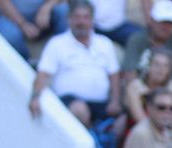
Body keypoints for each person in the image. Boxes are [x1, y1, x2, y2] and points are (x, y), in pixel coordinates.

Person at [28, 1, 121, 130]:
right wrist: (35, 97)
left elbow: (114, 75)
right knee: (80, 109)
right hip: (71, 103)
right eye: (77, 17)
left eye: (86, 17)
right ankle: (92, 135)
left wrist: (115, 101)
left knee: (122, 119)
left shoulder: (105, 44)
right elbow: (43, 74)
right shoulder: (57, 44)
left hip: (100, 104)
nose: (81, 22)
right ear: (69, 19)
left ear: (92, 20)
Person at [122, 3, 172, 120]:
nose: (165, 26)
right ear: (152, 20)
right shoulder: (137, 39)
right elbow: (130, 74)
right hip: (142, 96)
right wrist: (141, 97)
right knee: (133, 88)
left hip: (168, 99)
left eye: (170, 23)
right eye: (162, 22)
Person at [124, 46, 172, 132]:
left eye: (166, 66)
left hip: (166, 133)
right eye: (156, 64)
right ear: (148, 66)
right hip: (140, 132)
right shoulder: (135, 87)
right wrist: (160, 137)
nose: (161, 69)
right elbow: (141, 121)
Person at [0, 0, 70, 60]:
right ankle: (25, 64)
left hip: (43, 11)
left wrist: (46, 9)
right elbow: (2, 2)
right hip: (12, 15)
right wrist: (23, 24)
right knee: (11, 37)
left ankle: (64, 55)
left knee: (63, 10)